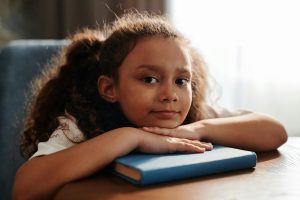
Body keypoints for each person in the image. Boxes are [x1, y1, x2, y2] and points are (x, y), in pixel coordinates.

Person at [12, 11, 287, 200]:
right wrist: (129, 137)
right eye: (150, 79)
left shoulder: (189, 118)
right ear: (110, 88)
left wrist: (200, 129)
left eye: (181, 81)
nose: (170, 94)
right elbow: (24, 189)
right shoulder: (84, 123)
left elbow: (274, 131)